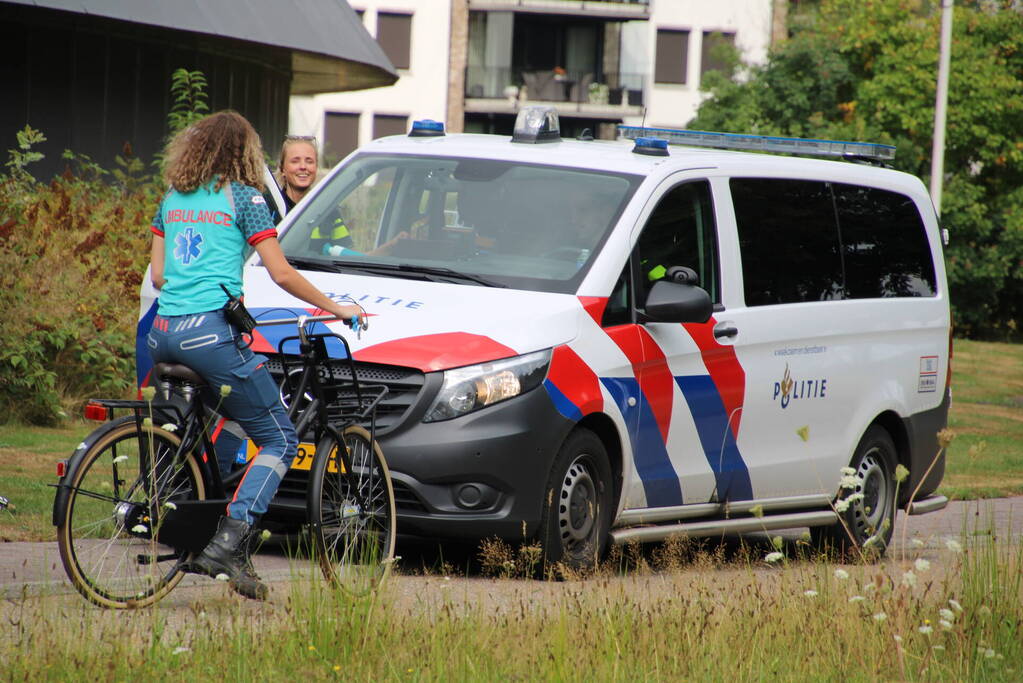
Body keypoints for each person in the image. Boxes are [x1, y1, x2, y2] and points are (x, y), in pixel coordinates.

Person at [148, 111, 362, 600]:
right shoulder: (244, 200)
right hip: (209, 335)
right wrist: (336, 307)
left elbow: (159, 276)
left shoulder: (172, 199)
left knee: (227, 419)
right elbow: (282, 273)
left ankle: (220, 532)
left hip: (163, 333)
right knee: (281, 438)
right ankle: (230, 538)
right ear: (243, 152)